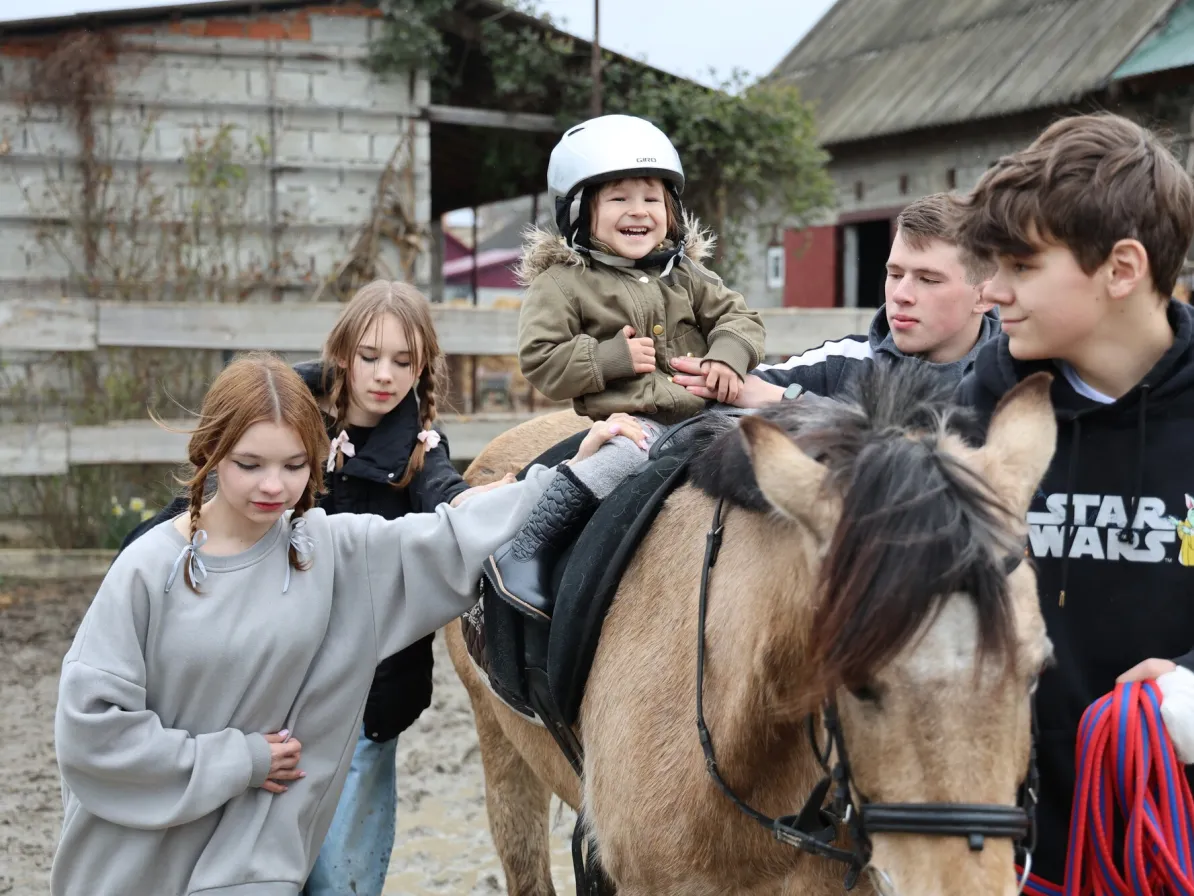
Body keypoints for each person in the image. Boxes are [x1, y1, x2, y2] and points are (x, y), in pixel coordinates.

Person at [51, 353, 648, 896]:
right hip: (126, 869)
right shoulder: (146, 570)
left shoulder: (331, 556)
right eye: (249, 463)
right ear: (209, 452)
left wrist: (572, 474)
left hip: (249, 873)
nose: (272, 486)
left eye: (293, 465)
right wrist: (240, 761)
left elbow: (451, 538)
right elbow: (91, 735)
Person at [115, 281, 508, 896]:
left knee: (342, 867)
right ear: (342, 351)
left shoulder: (421, 447)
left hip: (367, 690)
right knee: (256, 848)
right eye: (370, 355)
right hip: (272, 670)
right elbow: (223, 488)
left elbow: (447, 498)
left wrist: (490, 499)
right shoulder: (289, 409)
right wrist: (151, 545)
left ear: (423, 365)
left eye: (404, 361)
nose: (384, 375)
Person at [953, 111, 1194, 888]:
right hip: (1015, 852)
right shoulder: (977, 413)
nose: (989, 292)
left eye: (1020, 266)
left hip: (1174, 849)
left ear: (1121, 268)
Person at [484, 113, 766, 617]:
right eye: (618, 198)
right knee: (620, 459)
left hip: (706, 415)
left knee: (771, 448)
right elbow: (541, 361)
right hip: (634, 423)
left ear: (671, 209)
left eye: (651, 199)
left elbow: (740, 317)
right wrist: (609, 358)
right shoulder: (563, 285)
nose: (638, 211)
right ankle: (528, 551)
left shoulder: (689, 275)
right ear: (579, 210)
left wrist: (728, 357)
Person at [670, 191, 998, 407]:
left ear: (984, 295)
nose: (900, 295)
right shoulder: (842, 361)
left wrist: (790, 401)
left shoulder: (1020, 377)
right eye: (895, 274)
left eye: (928, 279)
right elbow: (735, 387)